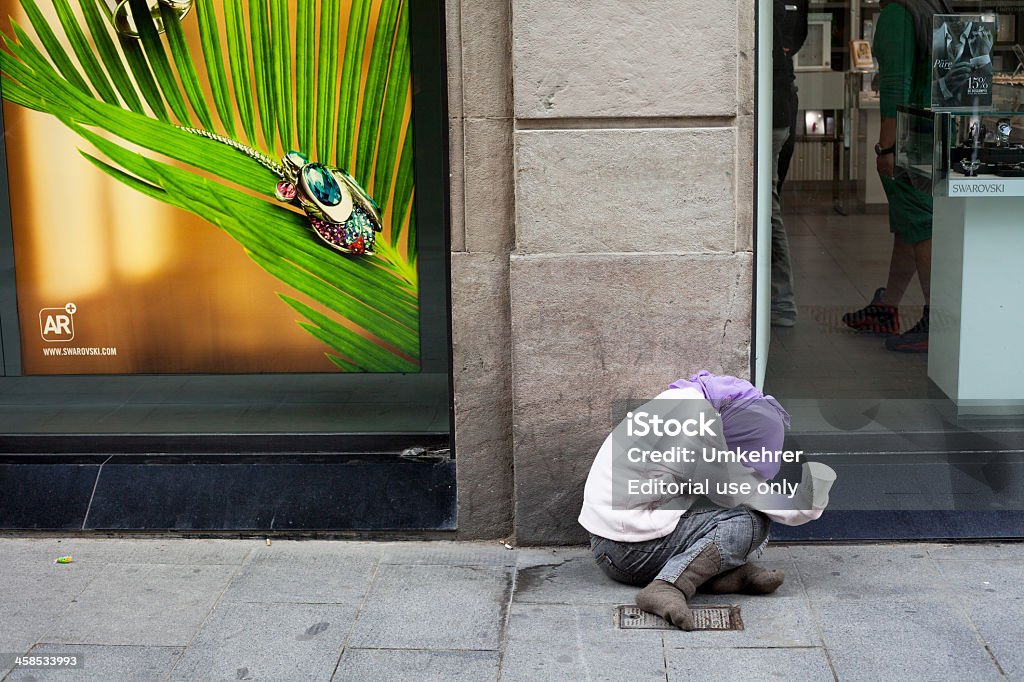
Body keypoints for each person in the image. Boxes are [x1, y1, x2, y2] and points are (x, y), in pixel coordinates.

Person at [579, 371, 834, 630]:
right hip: (625, 553)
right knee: (751, 523)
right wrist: (810, 502)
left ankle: (722, 576)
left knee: (732, 510)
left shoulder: (686, 402)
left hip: (617, 540)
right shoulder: (696, 421)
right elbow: (745, 494)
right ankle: (669, 585)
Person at [842, 0, 952, 353]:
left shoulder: (895, 14)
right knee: (911, 223)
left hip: (909, 138)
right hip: (935, 128)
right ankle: (887, 306)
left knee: (920, 225)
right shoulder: (932, 7)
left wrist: (886, 148)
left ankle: (937, 319)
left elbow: (895, 85)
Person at [770, 0, 803, 328]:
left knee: (768, 209)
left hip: (774, 110)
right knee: (769, 208)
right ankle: (779, 301)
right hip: (780, 108)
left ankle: (781, 301)